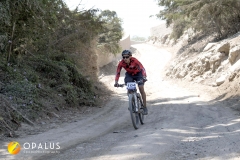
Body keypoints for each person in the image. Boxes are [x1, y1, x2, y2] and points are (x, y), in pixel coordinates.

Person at [114, 49, 148, 115]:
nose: (125, 59)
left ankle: (144, 107)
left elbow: (142, 68)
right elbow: (118, 72)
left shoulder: (135, 60)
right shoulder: (121, 63)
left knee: (141, 88)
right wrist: (116, 81)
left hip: (138, 74)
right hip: (129, 75)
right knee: (129, 89)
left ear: (130, 57)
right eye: (123, 57)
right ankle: (131, 102)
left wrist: (144, 76)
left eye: (127, 57)